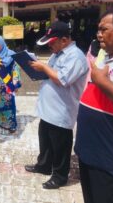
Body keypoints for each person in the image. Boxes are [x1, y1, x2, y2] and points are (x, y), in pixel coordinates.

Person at [24, 21, 89, 189]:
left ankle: (60, 176)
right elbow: (51, 72)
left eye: (52, 42)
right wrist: (37, 68)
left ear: (65, 40)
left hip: (61, 110)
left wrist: (44, 68)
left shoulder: (76, 56)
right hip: (48, 109)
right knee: (45, 139)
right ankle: (44, 165)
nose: (50, 45)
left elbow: (62, 79)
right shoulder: (58, 53)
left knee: (60, 145)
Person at [74, 8, 113, 203]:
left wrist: (102, 81)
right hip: (88, 152)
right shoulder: (104, 57)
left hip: (108, 160)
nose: (99, 34)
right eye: (98, 29)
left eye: (104, 29)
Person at [0, 36, 21, 133]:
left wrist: (15, 83)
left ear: (2, 44)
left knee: (8, 104)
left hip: (7, 85)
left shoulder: (11, 54)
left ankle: (11, 124)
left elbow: (15, 69)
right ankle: (0, 121)